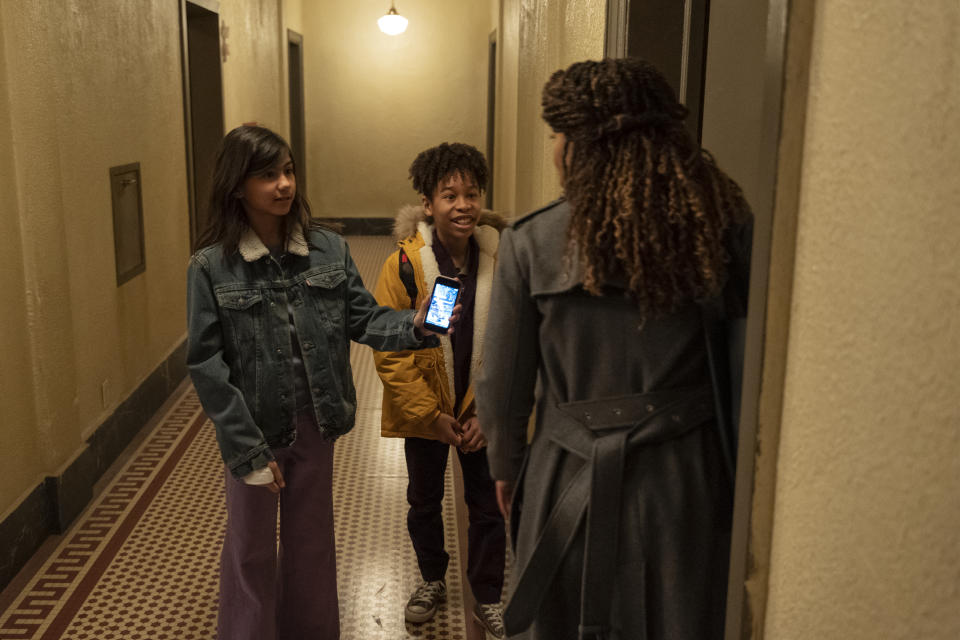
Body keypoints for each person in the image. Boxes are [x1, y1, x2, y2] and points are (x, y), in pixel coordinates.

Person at [476, 58, 753, 640]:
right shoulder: (721, 225)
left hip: (564, 471)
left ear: (579, 144)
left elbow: (502, 384)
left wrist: (505, 468)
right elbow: (743, 372)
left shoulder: (531, 240)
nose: (553, 150)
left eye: (556, 135)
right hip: (684, 479)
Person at [186, 125, 454, 640]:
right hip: (253, 430)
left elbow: (364, 319)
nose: (284, 184)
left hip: (315, 422)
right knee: (251, 550)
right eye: (267, 175)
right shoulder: (211, 267)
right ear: (236, 186)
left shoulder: (328, 249)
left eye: (287, 171)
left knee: (311, 545)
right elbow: (206, 365)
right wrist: (245, 448)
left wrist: (415, 326)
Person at [372, 143, 508, 638]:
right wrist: (430, 415)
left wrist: (489, 415)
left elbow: (516, 344)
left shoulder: (501, 259)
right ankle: (432, 579)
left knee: (488, 506)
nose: (463, 205)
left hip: (480, 412)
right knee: (424, 501)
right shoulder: (406, 266)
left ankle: (488, 594)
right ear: (428, 204)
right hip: (427, 413)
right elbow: (390, 351)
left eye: (472, 193)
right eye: (449, 195)